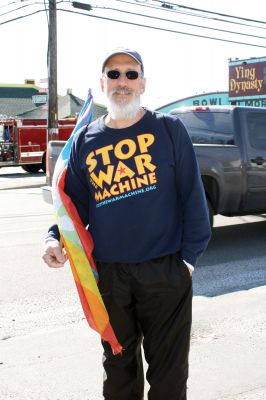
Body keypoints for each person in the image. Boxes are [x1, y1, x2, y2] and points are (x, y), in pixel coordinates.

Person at [42, 48, 211, 400]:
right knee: (118, 372)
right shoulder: (86, 140)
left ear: (143, 83)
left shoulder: (168, 129)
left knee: (169, 376)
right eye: (114, 74)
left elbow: (193, 199)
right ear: (103, 83)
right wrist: (54, 238)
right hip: (109, 276)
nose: (123, 82)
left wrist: (188, 261)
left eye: (131, 74)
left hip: (165, 271)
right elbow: (72, 206)